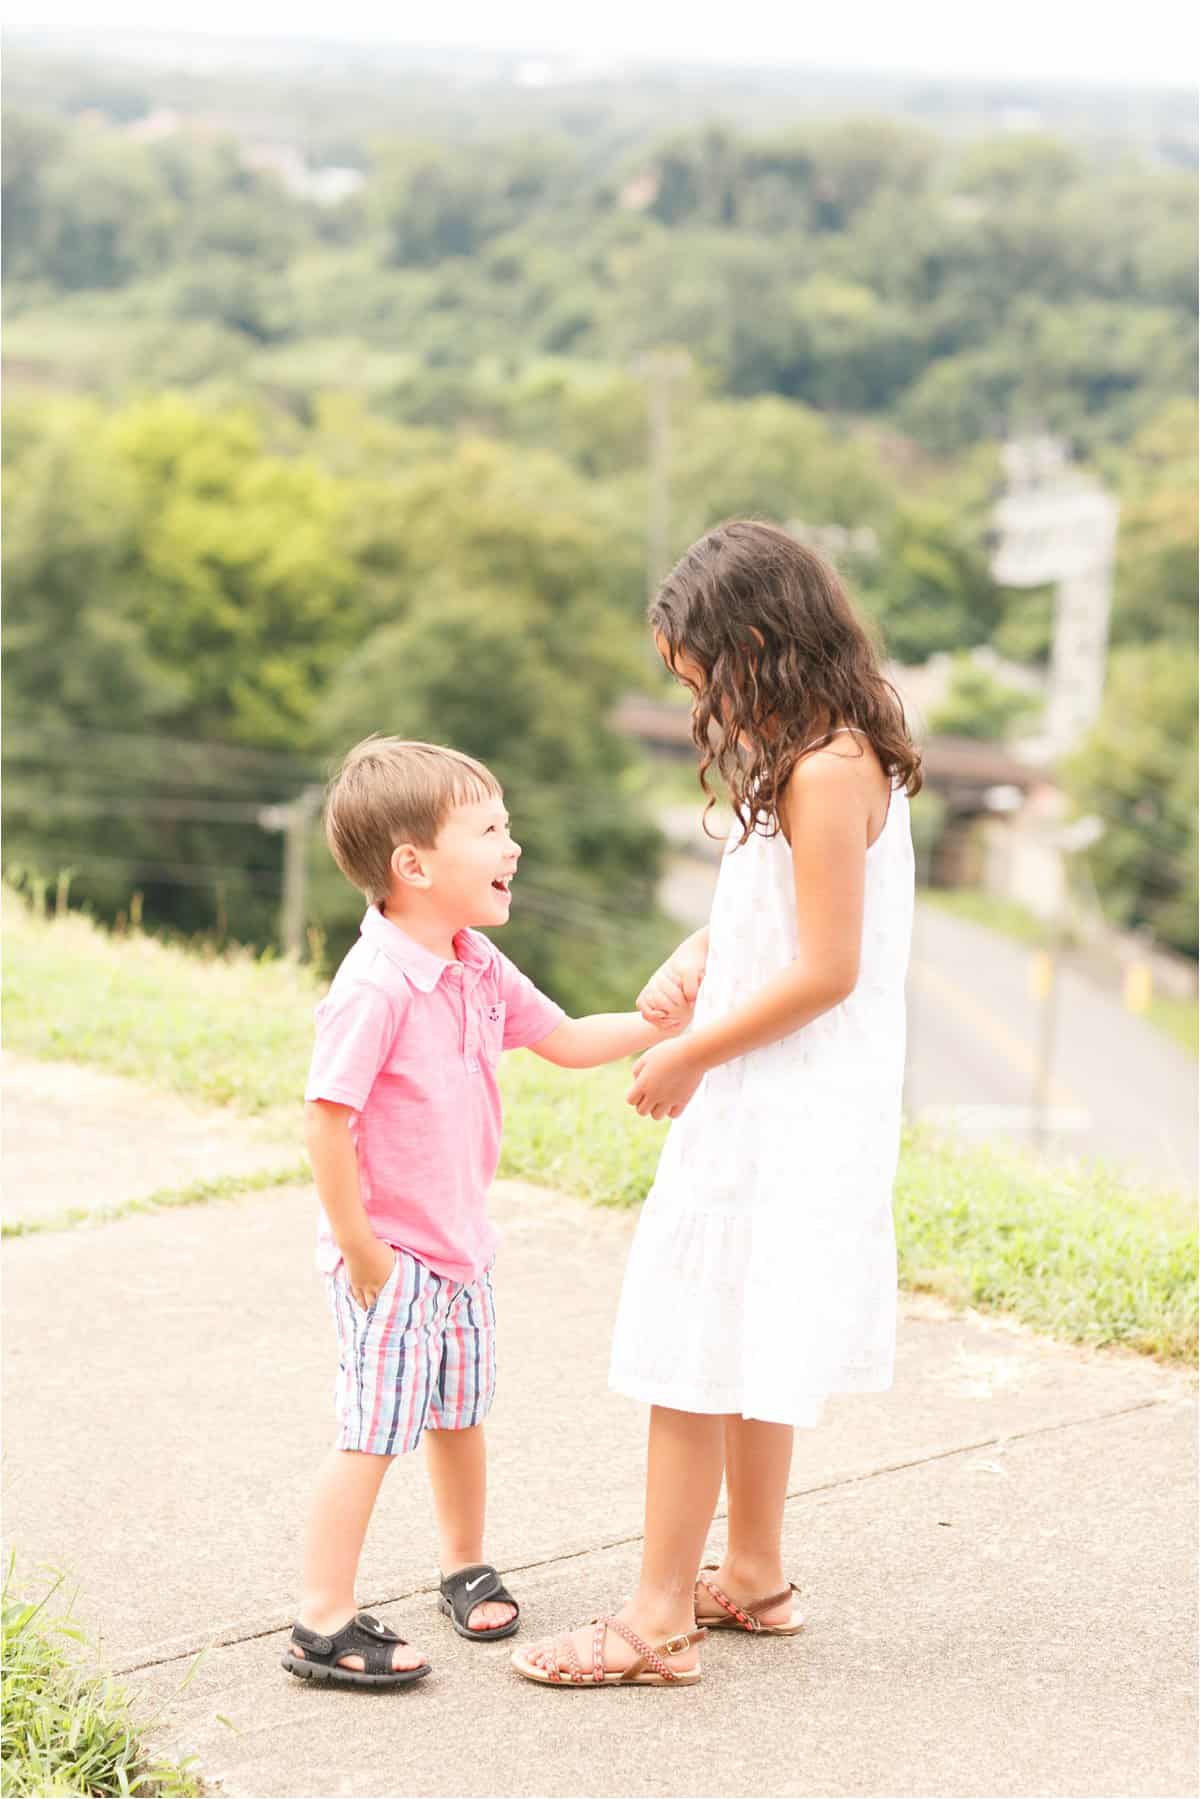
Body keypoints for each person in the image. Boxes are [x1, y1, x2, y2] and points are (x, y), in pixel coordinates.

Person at [514, 519, 919, 1689]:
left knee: (690, 1348)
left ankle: (655, 1621)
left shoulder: (826, 766)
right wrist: (705, 950)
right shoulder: (829, 751)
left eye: (697, 667)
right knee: (751, 1336)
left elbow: (830, 966)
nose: (693, 691)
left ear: (756, 641)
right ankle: (751, 1572)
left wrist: (690, 1049)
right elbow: (793, 914)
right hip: (783, 1091)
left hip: (780, 1100)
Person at [283, 737, 691, 1689]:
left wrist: (674, 1023)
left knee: (459, 1415)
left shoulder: (474, 962)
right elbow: (324, 1122)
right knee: (373, 1430)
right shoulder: (375, 984)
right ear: (414, 865)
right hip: (392, 1259)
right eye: (492, 828)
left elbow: (571, 1038)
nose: (514, 844)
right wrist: (361, 1251)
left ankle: (462, 1564)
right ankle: (322, 1619)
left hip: (463, 1250)